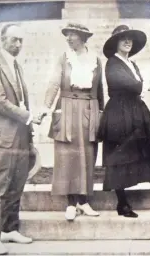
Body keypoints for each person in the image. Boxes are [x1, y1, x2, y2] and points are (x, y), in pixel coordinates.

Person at [0, 23, 42, 255]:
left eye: (20, 40)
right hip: (3, 136)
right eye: (13, 39)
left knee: (17, 184)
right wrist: (29, 117)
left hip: (20, 135)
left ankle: (9, 229)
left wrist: (29, 128)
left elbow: (19, 100)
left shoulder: (16, 66)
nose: (18, 44)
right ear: (2, 39)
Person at [98, 25, 150, 218]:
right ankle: (122, 203)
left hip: (136, 110)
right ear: (116, 43)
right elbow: (130, 85)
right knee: (120, 154)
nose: (128, 42)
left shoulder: (132, 64)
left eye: (130, 39)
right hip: (120, 113)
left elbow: (136, 86)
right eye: (123, 39)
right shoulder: (112, 63)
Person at [43, 23, 104, 221]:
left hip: (89, 107)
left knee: (87, 154)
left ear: (83, 37)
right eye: (67, 35)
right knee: (68, 156)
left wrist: (101, 112)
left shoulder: (96, 59)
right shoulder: (63, 58)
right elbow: (54, 83)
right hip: (67, 107)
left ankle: (83, 201)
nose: (69, 39)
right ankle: (70, 204)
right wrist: (46, 107)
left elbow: (99, 88)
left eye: (73, 35)